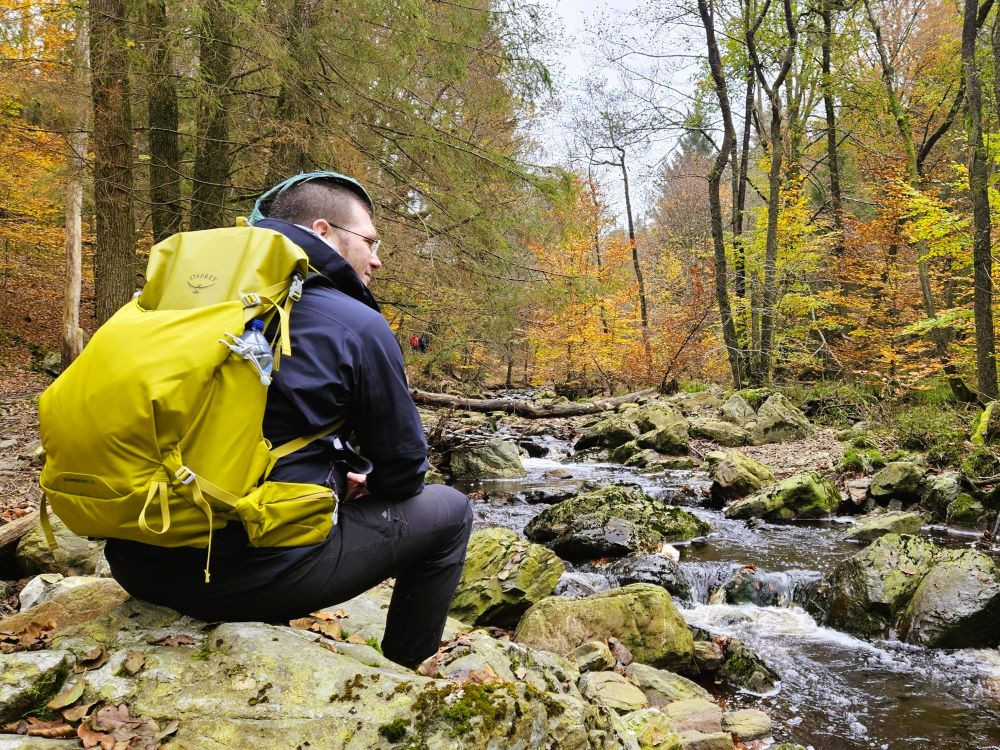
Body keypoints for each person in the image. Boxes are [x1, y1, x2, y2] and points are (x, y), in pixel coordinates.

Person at [104, 171, 473, 669]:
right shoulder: (355, 323)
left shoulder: (179, 308)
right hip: (251, 581)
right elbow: (406, 469)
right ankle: (407, 675)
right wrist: (363, 481)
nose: (378, 259)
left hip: (135, 561)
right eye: (370, 241)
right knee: (451, 512)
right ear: (323, 232)